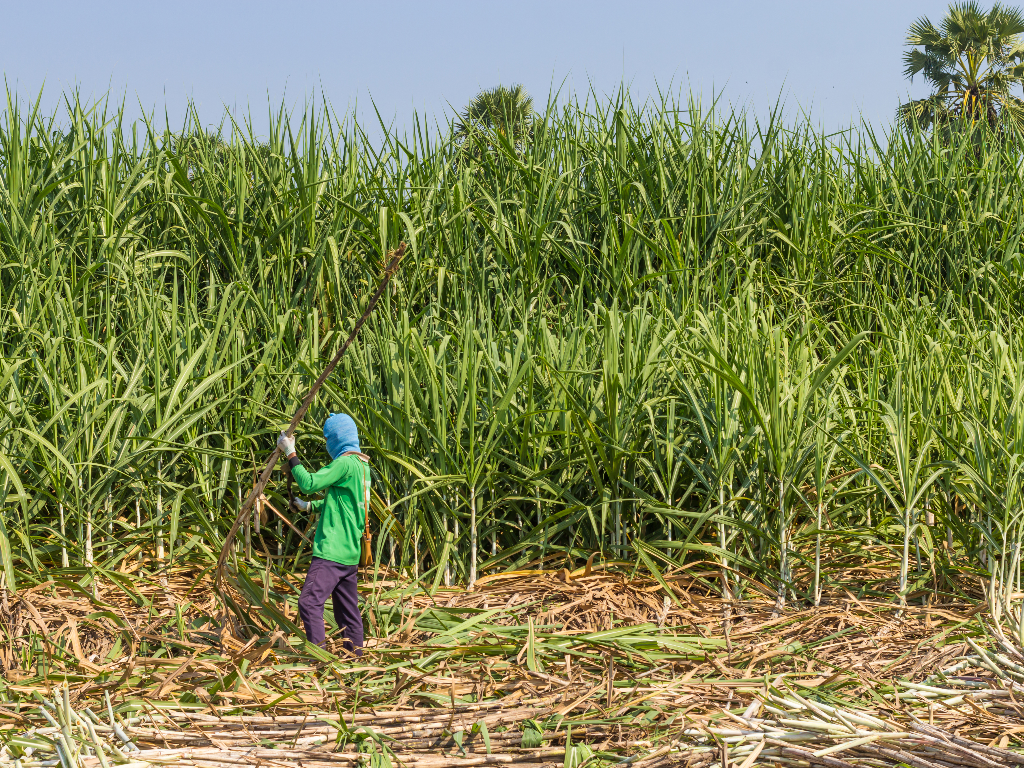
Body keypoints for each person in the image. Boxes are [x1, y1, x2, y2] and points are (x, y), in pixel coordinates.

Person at [277, 413, 369, 654]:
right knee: (348, 613)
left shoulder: (344, 463)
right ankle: (355, 659)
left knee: (308, 603)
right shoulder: (362, 466)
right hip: (349, 555)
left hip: (331, 553)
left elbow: (308, 484)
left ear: (335, 439)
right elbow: (343, 504)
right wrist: (308, 507)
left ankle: (320, 660)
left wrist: (290, 453)